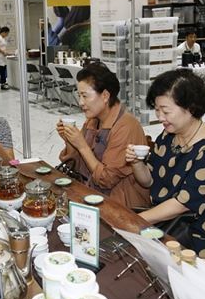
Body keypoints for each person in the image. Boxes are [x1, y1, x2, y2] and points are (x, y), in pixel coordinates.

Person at [126, 69, 205, 258]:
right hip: (165, 222)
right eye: (157, 110)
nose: (160, 117)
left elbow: (182, 204)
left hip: (195, 235)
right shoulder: (168, 136)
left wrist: (135, 221)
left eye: (165, 111)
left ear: (190, 108)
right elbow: (148, 181)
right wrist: (136, 163)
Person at [57, 63, 149, 208]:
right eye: (79, 95)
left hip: (120, 204)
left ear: (105, 96)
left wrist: (81, 145)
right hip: (91, 193)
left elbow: (106, 180)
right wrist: (69, 140)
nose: (80, 102)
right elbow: (75, 166)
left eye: (85, 96)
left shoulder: (126, 126)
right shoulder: (93, 120)